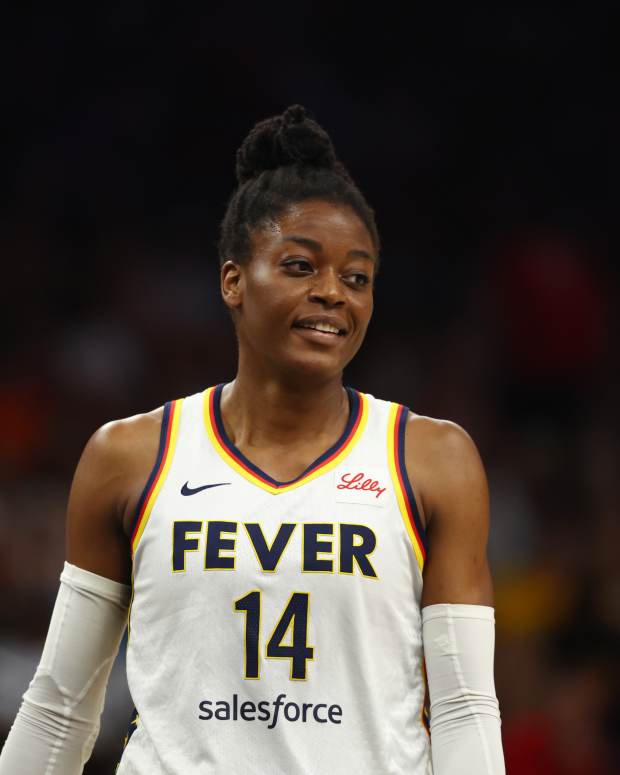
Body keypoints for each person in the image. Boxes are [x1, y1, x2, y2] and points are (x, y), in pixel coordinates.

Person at [0, 104, 505, 774]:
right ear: (233, 280)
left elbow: (465, 707)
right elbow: (62, 705)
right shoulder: (128, 456)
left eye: (356, 277)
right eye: (301, 266)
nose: (334, 293)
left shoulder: (431, 457)